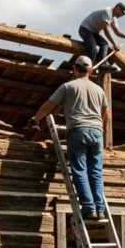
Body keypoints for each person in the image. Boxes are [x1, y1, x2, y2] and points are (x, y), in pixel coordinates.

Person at [27, 55, 111, 220]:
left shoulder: (67, 87)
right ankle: (100, 209)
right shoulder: (99, 90)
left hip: (78, 130)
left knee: (80, 170)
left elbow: (49, 105)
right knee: (95, 172)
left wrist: (35, 119)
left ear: (74, 68)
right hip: (96, 132)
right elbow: (107, 115)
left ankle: (88, 207)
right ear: (91, 71)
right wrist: (100, 128)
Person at [79, 2, 125, 70]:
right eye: (122, 12)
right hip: (85, 29)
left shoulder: (113, 18)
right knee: (93, 50)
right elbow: (106, 30)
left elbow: (117, 31)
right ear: (117, 8)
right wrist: (114, 44)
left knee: (104, 43)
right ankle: (86, 69)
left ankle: (102, 64)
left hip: (93, 32)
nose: (122, 15)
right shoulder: (107, 12)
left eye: (123, 14)